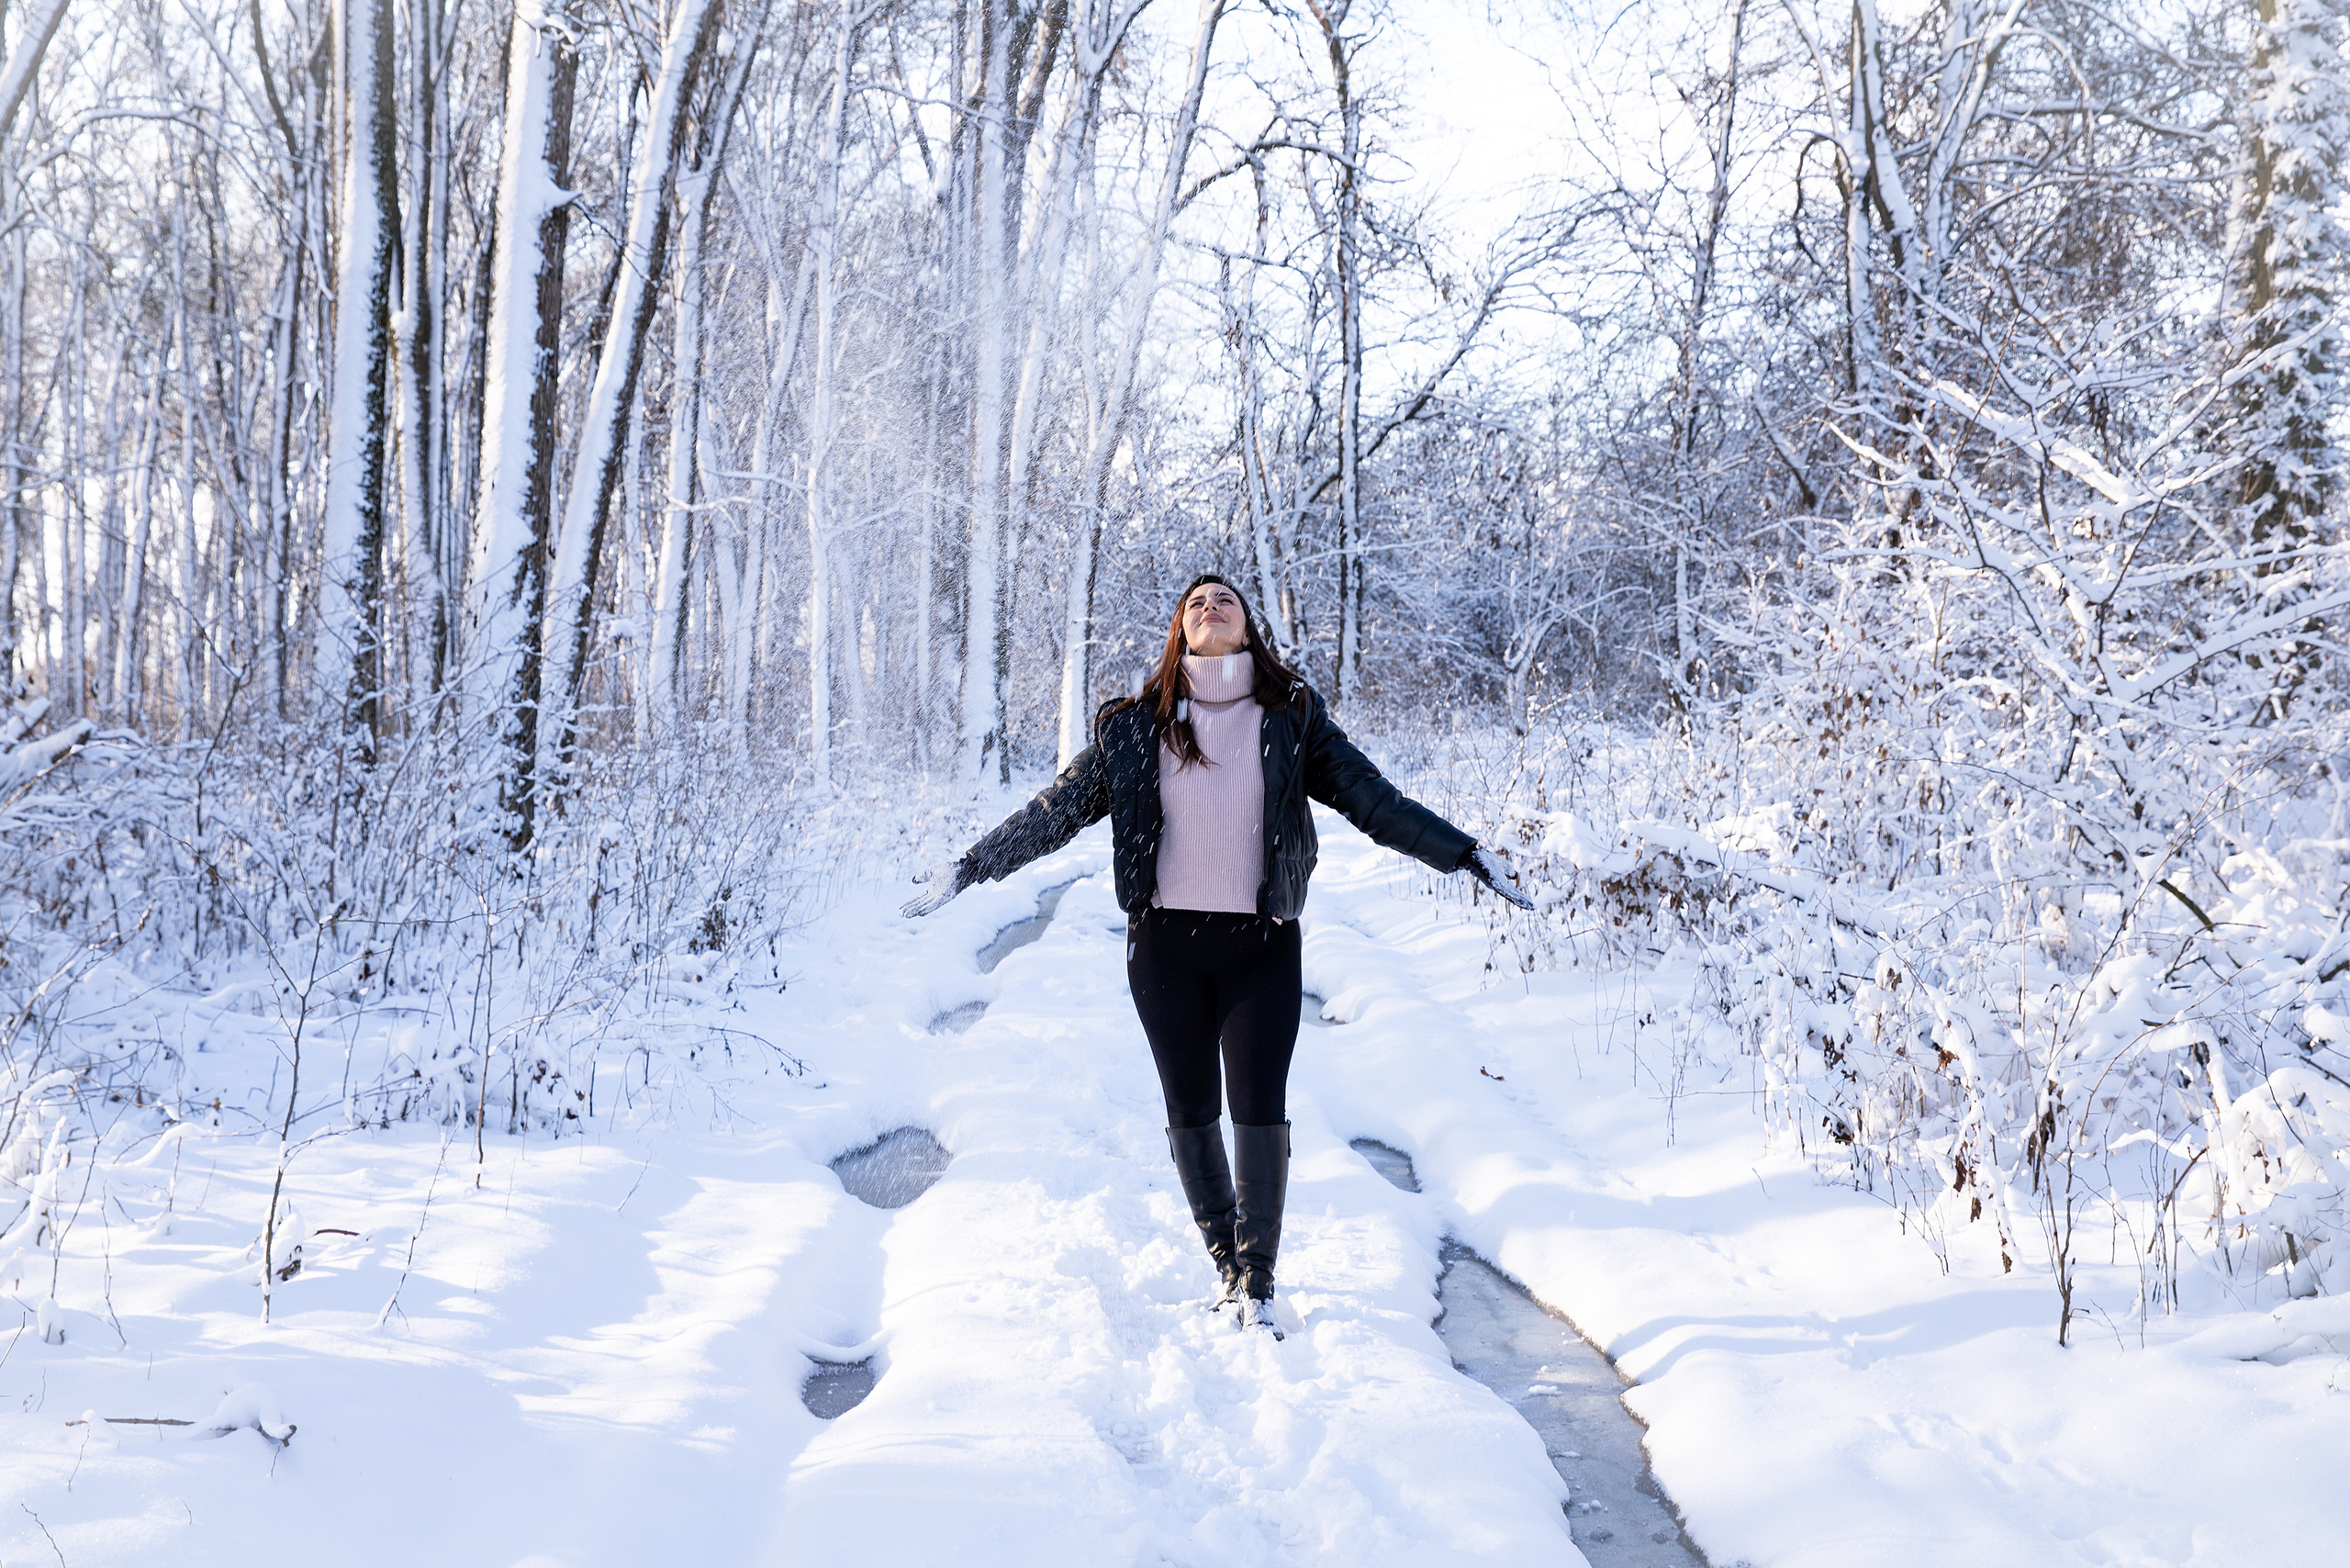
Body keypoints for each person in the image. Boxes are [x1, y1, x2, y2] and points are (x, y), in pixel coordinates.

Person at [901, 573, 1535, 1338]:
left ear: (1247, 628)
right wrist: (970, 867)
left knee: (1259, 1111)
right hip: (1165, 950)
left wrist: (1462, 854)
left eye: (1224, 599)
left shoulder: (1292, 718)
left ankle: (1259, 1279)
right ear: (1179, 630)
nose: (1210, 606)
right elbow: (1054, 813)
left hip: (1260, 948)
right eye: (1194, 602)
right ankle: (1227, 1263)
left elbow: (1374, 800)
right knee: (1190, 1109)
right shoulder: (1133, 725)